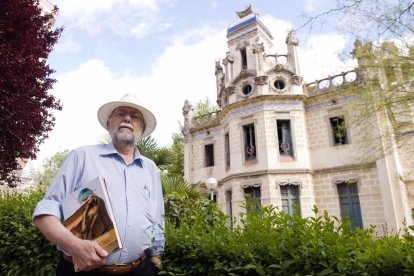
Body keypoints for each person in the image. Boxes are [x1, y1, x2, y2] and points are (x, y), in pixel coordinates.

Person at [33, 94, 165, 275]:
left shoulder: (151, 169)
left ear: (141, 130)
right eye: (121, 113)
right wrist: (75, 245)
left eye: (135, 116)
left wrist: (155, 257)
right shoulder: (81, 157)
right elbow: (45, 213)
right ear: (109, 124)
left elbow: (158, 216)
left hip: (140, 269)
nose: (127, 118)